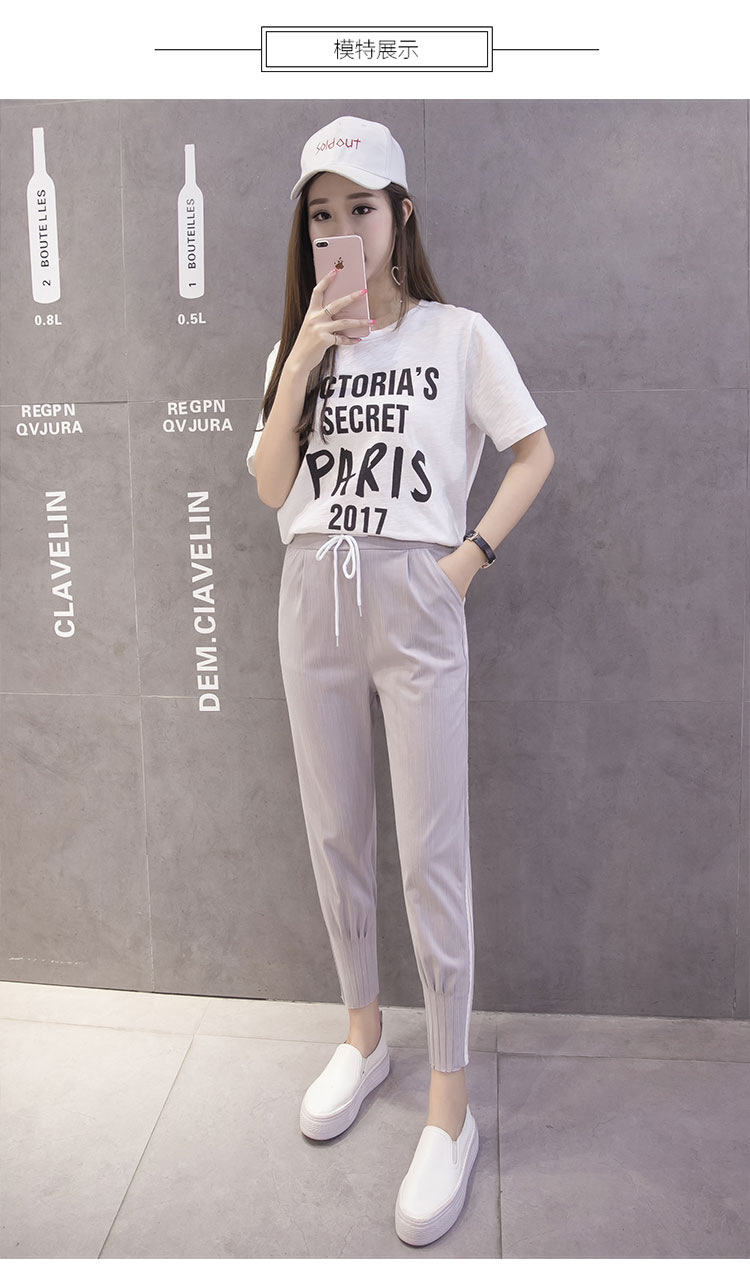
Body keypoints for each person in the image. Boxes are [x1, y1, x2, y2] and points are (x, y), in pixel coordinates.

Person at [247, 115, 555, 1247]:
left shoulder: (457, 335)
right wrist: (304, 362)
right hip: (312, 594)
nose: (343, 230)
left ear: (401, 214)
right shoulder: (295, 350)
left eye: (362, 208)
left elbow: (533, 452)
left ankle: (450, 1104)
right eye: (322, 214)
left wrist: (465, 561)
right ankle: (365, 1034)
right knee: (336, 830)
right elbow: (270, 485)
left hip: (418, 597)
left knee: (432, 853)